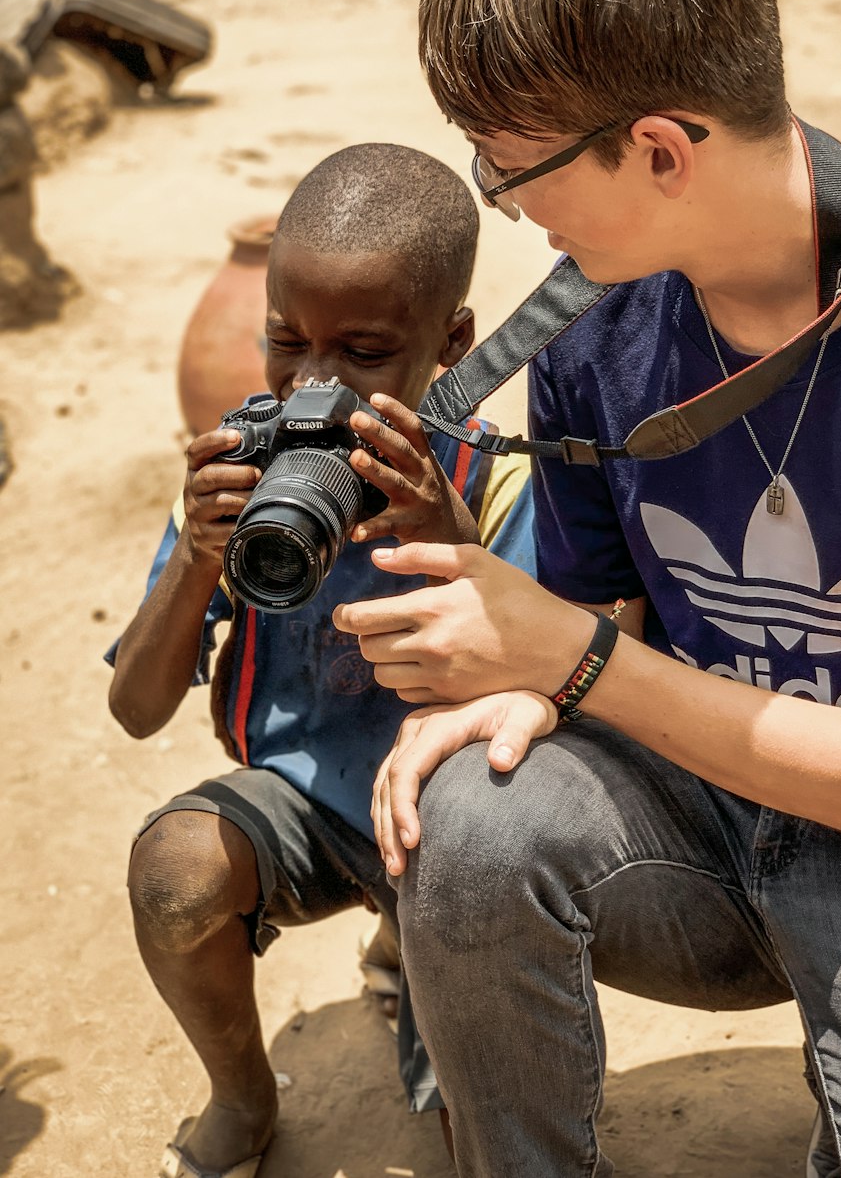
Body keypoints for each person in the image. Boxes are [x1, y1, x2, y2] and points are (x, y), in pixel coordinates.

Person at [333, 0, 841, 1177]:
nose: (502, 201)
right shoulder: (590, 322)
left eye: (508, 165)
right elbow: (606, 611)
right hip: (706, 819)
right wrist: (523, 685)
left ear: (657, 149)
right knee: (469, 809)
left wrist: (567, 660)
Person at [107, 143, 534, 1178]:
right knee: (172, 873)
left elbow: (533, 701)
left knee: (466, 1147)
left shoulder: (493, 481)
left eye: (367, 349)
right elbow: (136, 707)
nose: (313, 384)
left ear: (452, 342)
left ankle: (412, 954)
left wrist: (438, 533)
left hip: (449, 828)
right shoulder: (237, 475)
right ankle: (244, 1093)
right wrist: (200, 560)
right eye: (285, 341)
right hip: (300, 802)